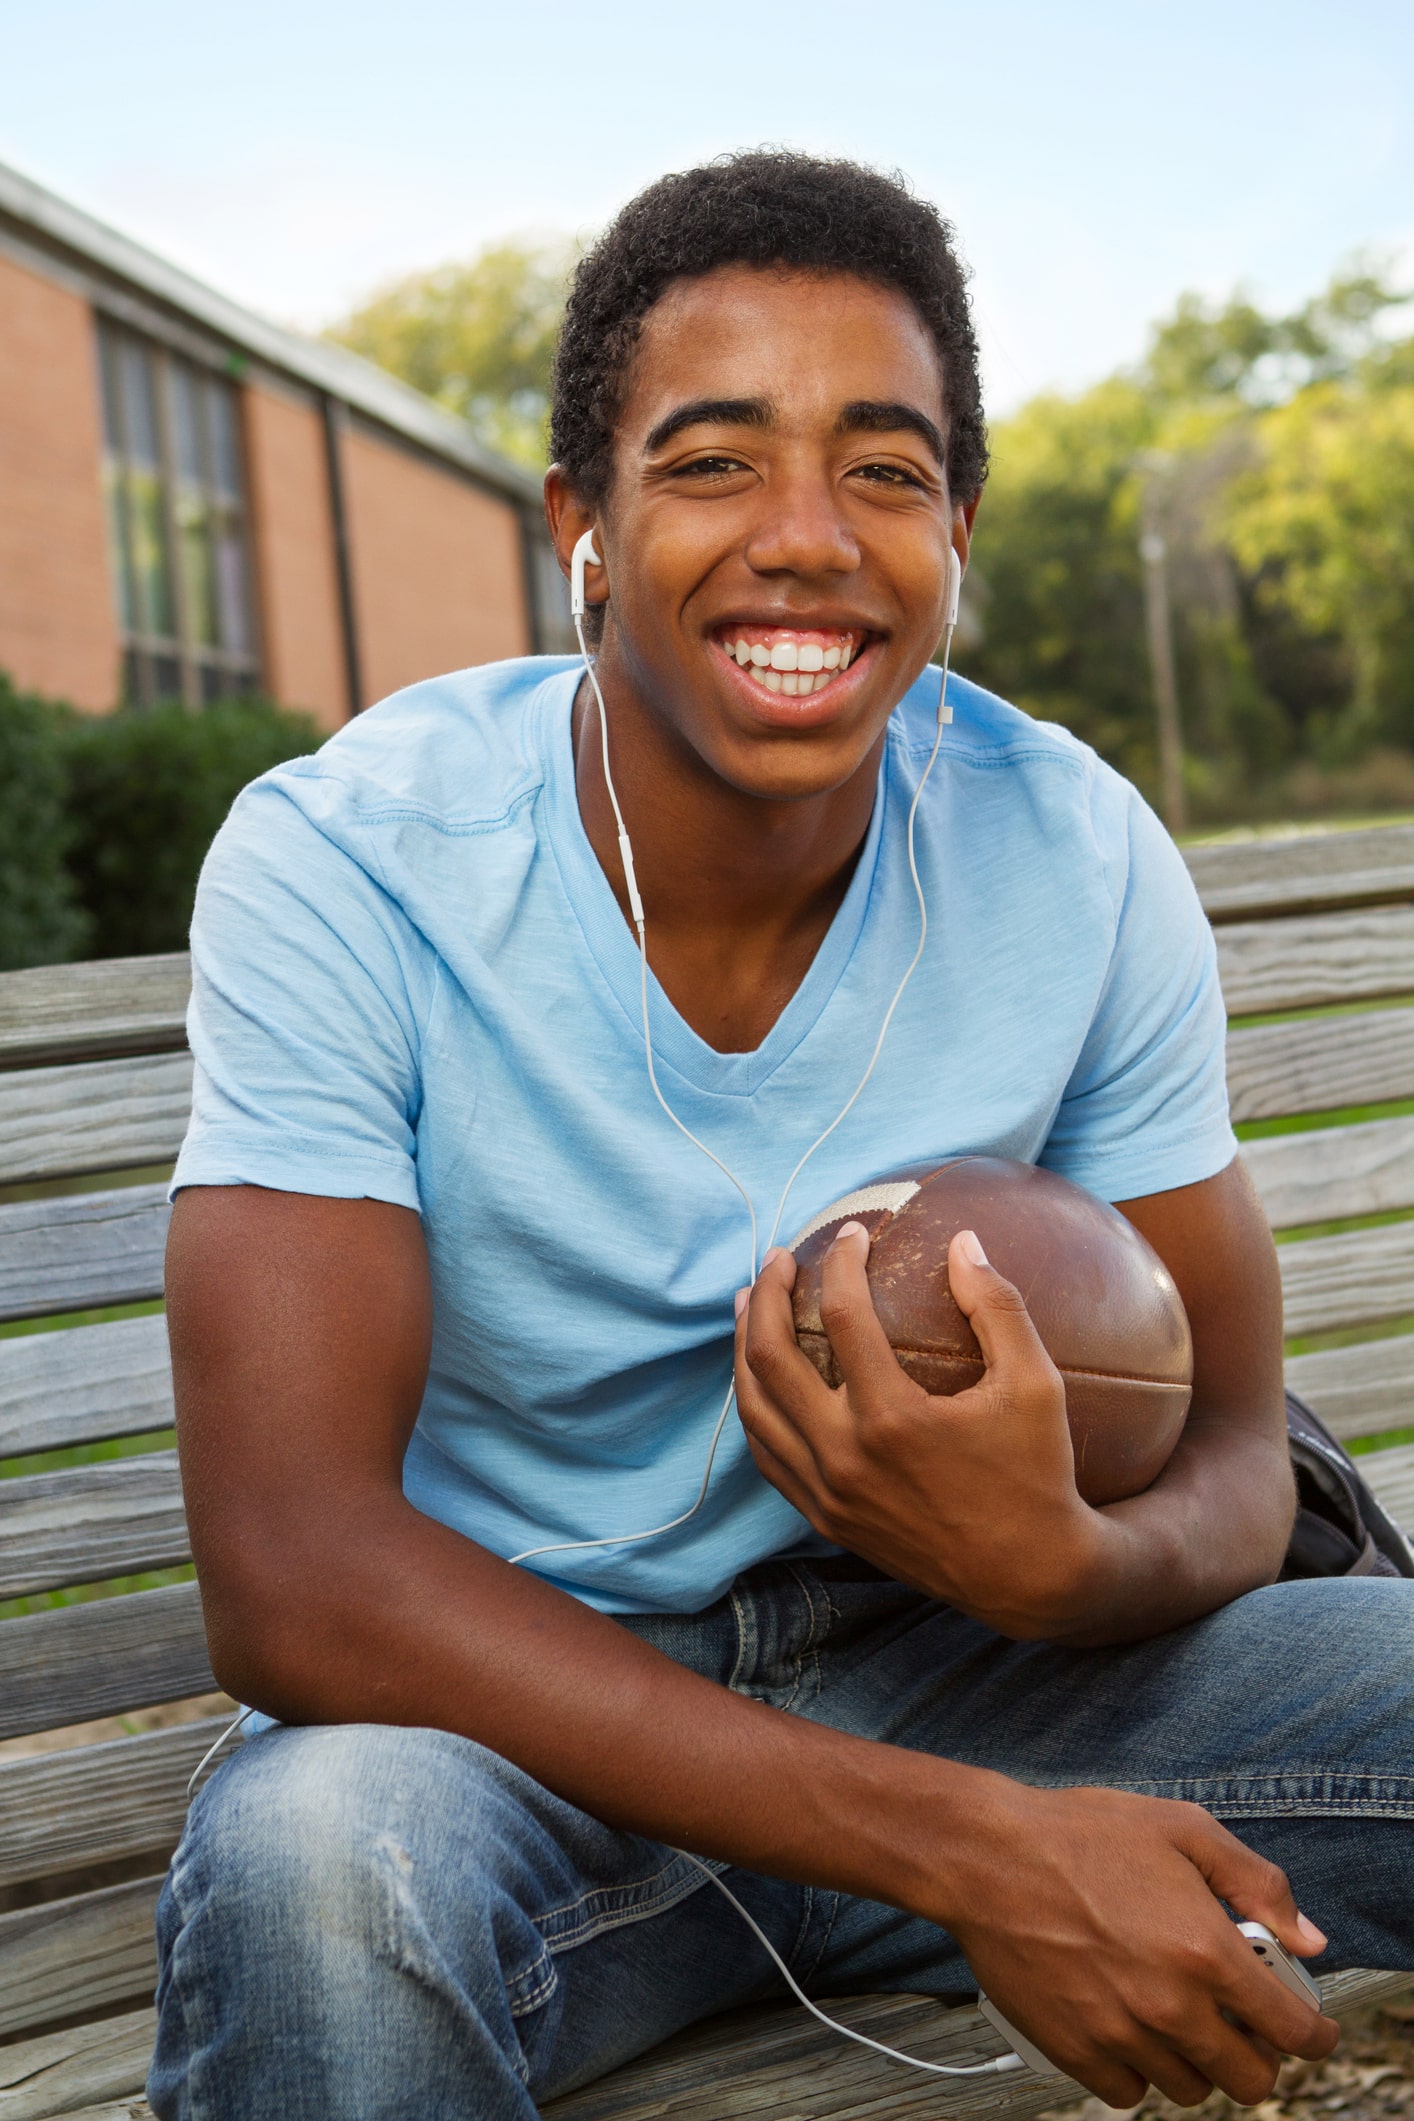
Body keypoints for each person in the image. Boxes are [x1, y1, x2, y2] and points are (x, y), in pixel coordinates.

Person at [149, 151, 1414, 2121]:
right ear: (580, 522)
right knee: (320, 1870)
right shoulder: (350, 863)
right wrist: (977, 1844)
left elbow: (1243, 1445)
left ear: (955, 532)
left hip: (973, 1667)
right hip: (504, 1730)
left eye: (884, 471)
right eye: (717, 461)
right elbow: (294, 1571)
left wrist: (1063, 1564)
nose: (806, 538)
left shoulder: (1067, 848)